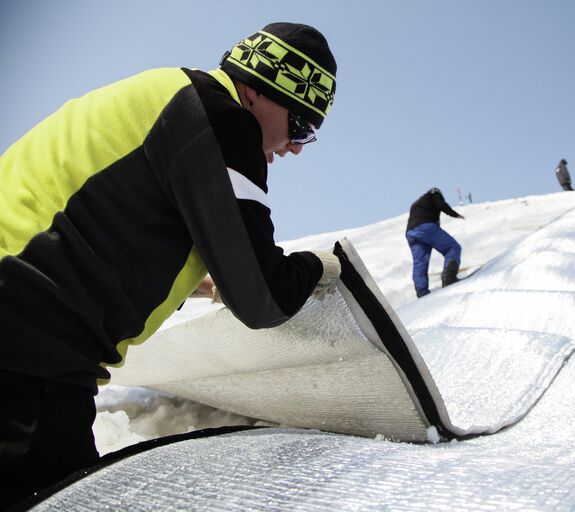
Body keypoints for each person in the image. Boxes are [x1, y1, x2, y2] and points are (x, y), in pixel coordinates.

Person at [0, 22, 340, 508]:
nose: (297, 147)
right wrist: (322, 265)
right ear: (260, 90)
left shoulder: (171, 97)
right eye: (302, 125)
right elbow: (264, 296)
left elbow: (102, 222)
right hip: (27, 351)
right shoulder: (222, 120)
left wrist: (197, 286)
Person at [405, 188, 465, 298]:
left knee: (420, 263)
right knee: (452, 247)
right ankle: (449, 278)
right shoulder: (434, 193)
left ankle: (421, 292)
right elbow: (441, 204)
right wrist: (454, 214)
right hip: (425, 227)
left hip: (411, 233)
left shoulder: (417, 203)